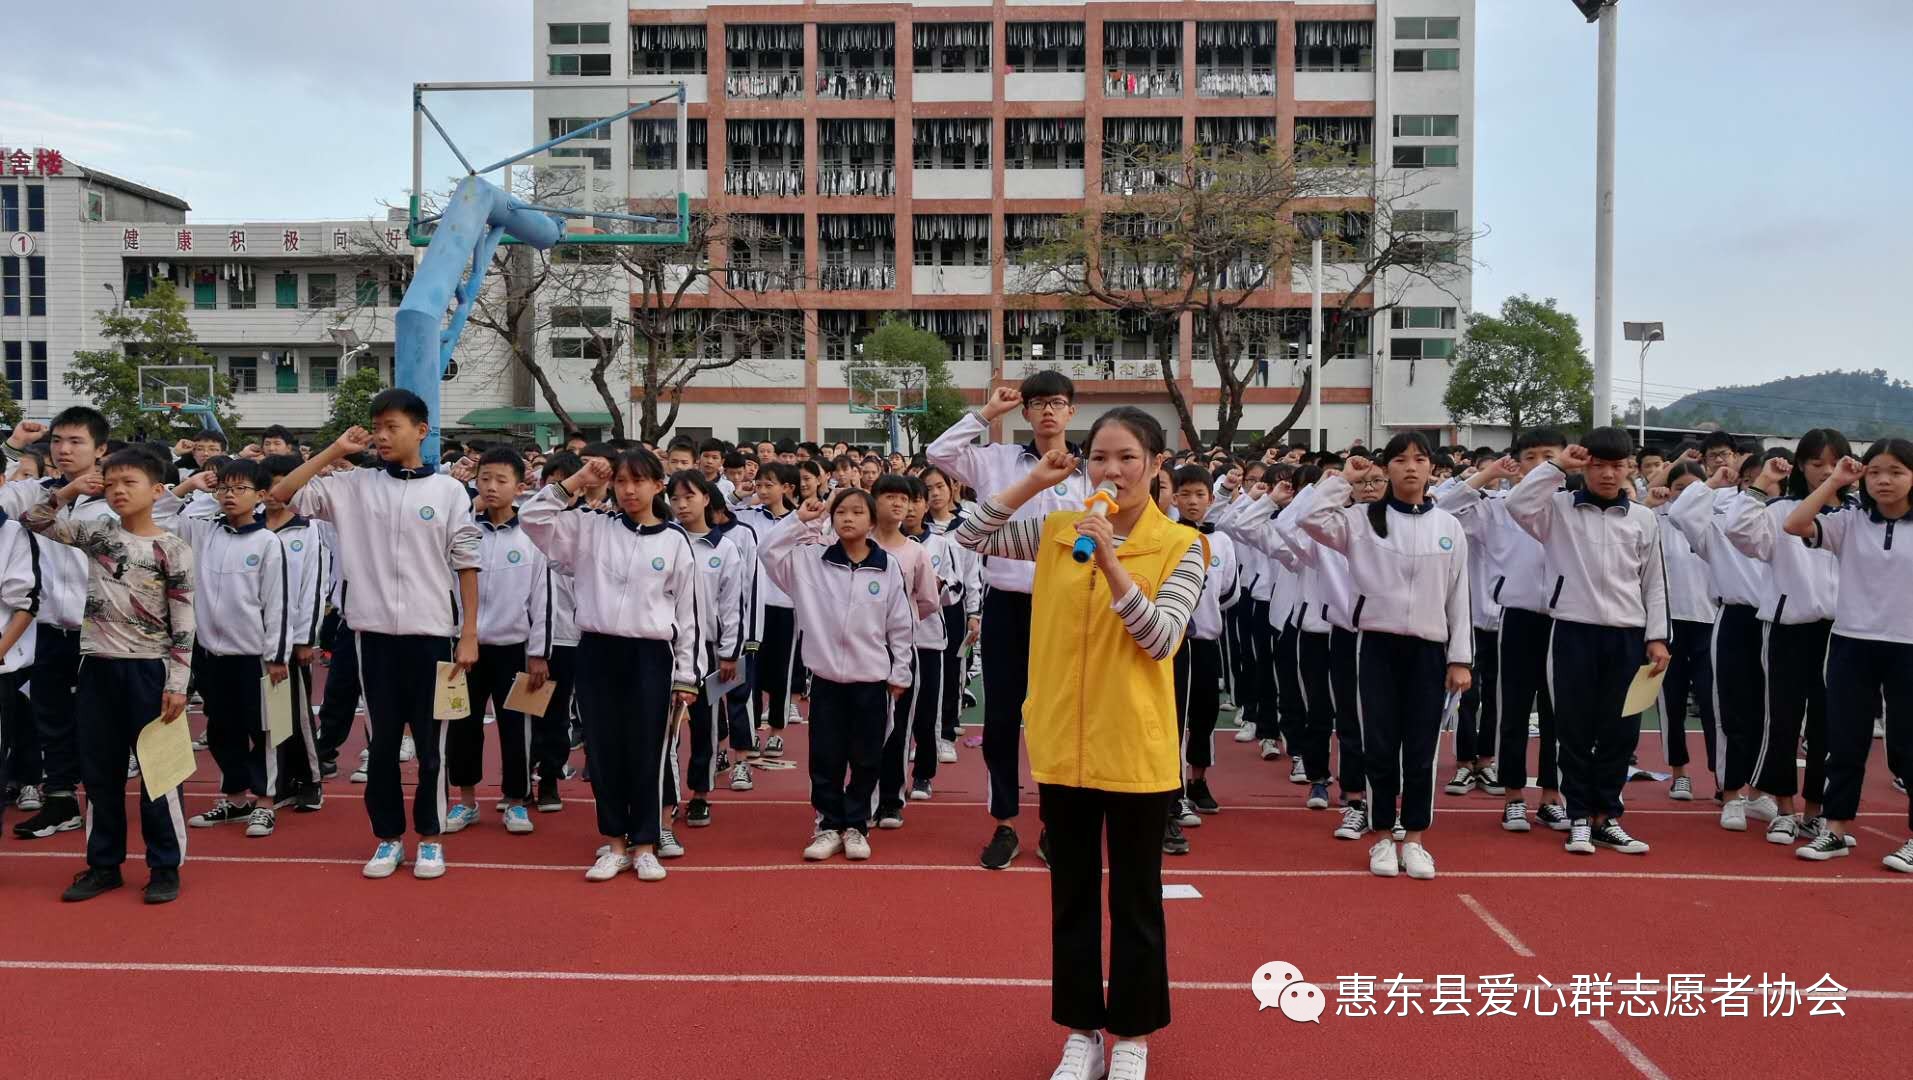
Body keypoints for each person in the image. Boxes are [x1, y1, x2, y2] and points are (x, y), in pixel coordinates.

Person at [953, 407, 1204, 1080]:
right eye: (1098, 457)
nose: (1110, 470)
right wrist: (1033, 482)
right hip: (1064, 744)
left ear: (1156, 466)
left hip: (1136, 752)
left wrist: (1116, 564)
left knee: (1134, 901)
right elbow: (971, 533)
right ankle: (1081, 1032)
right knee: (1070, 898)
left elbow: (1159, 637)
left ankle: (1130, 1039)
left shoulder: (1182, 546)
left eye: (1126, 457)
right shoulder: (1059, 531)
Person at [268, 393, 481, 880]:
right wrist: (333, 451)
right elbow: (280, 494)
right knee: (382, 743)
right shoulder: (351, 485)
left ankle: (429, 837)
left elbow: (468, 564)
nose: (381, 437)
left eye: (392, 427)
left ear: (421, 431)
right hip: (371, 636)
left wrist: (468, 633)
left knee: (431, 746)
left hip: (434, 638)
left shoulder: (449, 492)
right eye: (375, 428)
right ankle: (388, 838)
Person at [928, 373, 1092, 869]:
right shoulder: (997, 460)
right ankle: (1004, 822)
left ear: (1071, 412)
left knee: (1059, 719)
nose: (1047, 412)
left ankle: (1053, 823)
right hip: (1008, 603)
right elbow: (939, 453)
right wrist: (985, 414)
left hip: (1065, 608)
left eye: (1057, 403)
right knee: (1001, 718)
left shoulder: (1088, 473)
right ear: (1025, 413)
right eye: (1038, 404)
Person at [24, 449, 195, 904]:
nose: (118, 490)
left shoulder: (172, 548)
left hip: (150, 671)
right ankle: (104, 865)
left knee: (159, 775)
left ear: (157, 491)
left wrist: (178, 683)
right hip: (97, 666)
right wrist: (70, 488)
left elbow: (184, 619)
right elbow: (34, 519)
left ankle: (164, 866)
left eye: (130, 482)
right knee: (101, 775)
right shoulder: (97, 534)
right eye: (111, 482)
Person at [1298, 434, 1471, 880]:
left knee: (1420, 748)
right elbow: (1311, 518)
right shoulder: (1360, 520)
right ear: (1386, 469)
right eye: (1399, 459)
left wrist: (1460, 658)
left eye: (1419, 459)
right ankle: (1380, 835)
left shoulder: (1448, 528)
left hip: (1430, 649)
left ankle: (1414, 837)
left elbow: (1458, 598)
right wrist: (1343, 479)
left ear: (1433, 467)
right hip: (1374, 644)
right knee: (1377, 743)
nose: (1410, 467)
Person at [522, 450, 701, 882]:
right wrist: (579, 479)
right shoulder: (590, 527)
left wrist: (687, 677)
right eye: (621, 481)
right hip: (598, 650)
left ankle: (644, 843)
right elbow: (532, 519)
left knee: (646, 751)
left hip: (650, 656)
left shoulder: (675, 541)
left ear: (659, 485)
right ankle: (614, 843)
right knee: (602, 751)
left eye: (639, 481)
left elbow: (688, 613)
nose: (629, 490)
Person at [1505, 429, 1670, 856]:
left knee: (1622, 730)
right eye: (1599, 465)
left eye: (1618, 466)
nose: (1608, 474)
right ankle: (1578, 816)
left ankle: (1606, 816)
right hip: (1572, 631)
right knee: (1572, 729)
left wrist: (1656, 637)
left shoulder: (1643, 519)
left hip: (1628, 636)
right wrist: (1558, 465)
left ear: (1630, 467)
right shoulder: (1557, 509)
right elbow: (1516, 503)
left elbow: (1653, 583)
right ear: (1586, 465)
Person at [760, 487, 914, 864]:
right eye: (841, 511)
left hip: (872, 680)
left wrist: (900, 672)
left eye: (857, 512)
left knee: (866, 757)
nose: (847, 518)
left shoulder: (888, 566)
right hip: (827, 679)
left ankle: (857, 825)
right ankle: (828, 823)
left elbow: (900, 624)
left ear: (872, 521)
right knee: (825, 756)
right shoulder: (810, 562)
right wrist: (800, 519)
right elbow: (767, 552)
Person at [1436, 429, 1569, 834]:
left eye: (1551, 456)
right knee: (1510, 709)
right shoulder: (1494, 507)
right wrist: (1484, 476)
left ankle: (1552, 795)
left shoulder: (1573, 506)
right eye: (1531, 457)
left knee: (1557, 716)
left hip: (1565, 619)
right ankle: (1513, 795)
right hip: (1516, 617)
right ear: (1515, 463)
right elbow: (1439, 507)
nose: (1541, 465)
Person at [1787, 440, 1911, 870]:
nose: (1884, 480)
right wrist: (1836, 482)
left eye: (1896, 471)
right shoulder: (1849, 520)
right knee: (1844, 742)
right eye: (1875, 470)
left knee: (1907, 747)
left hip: (1908, 647)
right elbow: (1795, 524)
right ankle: (1835, 829)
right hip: (1852, 643)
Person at [3, 411, 124, 840]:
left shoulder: (119, 495)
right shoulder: (36, 491)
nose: (64, 450)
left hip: (104, 632)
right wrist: (13, 446)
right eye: (57, 441)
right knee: (50, 719)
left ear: (101, 450)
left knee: (102, 723)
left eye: (76, 441)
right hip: (52, 628)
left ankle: (106, 810)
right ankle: (60, 801)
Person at [1725, 431, 1848, 844]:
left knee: (1830, 724)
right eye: (1816, 463)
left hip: (1841, 633)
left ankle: (1816, 811)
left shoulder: (1858, 514)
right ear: (1801, 466)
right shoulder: (1781, 511)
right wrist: (1762, 483)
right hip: (1787, 628)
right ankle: (1784, 808)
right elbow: (1739, 532)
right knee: (1782, 720)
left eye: (1834, 462)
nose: (1826, 471)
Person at [169, 460, 290, 839]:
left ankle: (266, 801)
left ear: (260, 496)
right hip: (211, 654)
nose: (229, 496)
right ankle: (236, 798)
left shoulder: (268, 542)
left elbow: (277, 604)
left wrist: (276, 656)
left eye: (240, 489)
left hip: (255, 657)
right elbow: (160, 512)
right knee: (221, 730)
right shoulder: (203, 532)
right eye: (224, 488)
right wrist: (191, 484)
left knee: (267, 730)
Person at [1669, 444, 1775, 830]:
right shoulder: (1718, 519)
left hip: (1779, 622)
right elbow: (1679, 512)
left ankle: (1762, 793)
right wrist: (1713, 481)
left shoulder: (1788, 517)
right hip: (1733, 617)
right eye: (1751, 479)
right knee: (1728, 708)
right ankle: (1731, 795)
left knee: (1771, 714)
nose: (1760, 487)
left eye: (1769, 479)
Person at [444, 448, 548, 838]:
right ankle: (466, 800)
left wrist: (538, 651)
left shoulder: (534, 537)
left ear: (520, 487)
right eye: (484, 478)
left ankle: (517, 800)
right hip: (463, 647)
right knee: (461, 724)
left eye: (501, 480)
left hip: (514, 647)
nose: (491, 487)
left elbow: (543, 597)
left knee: (516, 726)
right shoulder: (462, 528)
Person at [662, 469, 743, 839]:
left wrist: (730, 653)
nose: (681, 505)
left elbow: (731, 606)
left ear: (707, 499)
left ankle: (700, 793)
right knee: (667, 728)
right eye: (675, 498)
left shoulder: (724, 548)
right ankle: (667, 796)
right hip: (667, 647)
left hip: (709, 650)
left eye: (689, 496)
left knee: (705, 727)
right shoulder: (664, 541)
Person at [868, 474, 943, 828]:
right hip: (860, 647)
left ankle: (891, 798)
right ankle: (861, 796)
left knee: (898, 726)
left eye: (905, 498)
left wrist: (904, 622)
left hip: (900, 649)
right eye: (890, 497)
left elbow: (928, 600)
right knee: (862, 726)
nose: (899, 504)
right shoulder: (857, 544)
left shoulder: (916, 552)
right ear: (875, 500)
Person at [1168, 466, 1237, 842]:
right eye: (1186, 495)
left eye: (1200, 495)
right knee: (1174, 715)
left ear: (1211, 499)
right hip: (1175, 640)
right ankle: (1173, 791)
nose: (1193, 502)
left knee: (1206, 712)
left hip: (1208, 638)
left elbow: (1228, 591)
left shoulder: (1223, 542)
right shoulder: (1168, 536)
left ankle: (1198, 780)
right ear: (1175, 498)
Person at [1645, 458, 1718, 801]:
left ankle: (1722, 776)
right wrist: (1654, 497)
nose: (1685, 495)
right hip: (1668, 625)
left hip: (1709, 623)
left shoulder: (1714, 519)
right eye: (1678, 488)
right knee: (1671, 703)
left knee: (1711, 702)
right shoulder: (1655, 518)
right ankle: (1680, 773)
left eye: (1693, 488)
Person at [260, 454, 329, 814]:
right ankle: (279, 781)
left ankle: (312, 781)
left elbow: (313, 587)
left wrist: (305, 639)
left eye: (281, 482)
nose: (274, 492)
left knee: (299, 714)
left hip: (292, 639)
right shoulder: (251, 527)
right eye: (267, 483)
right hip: (255, 639)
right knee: (268, 718)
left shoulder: (308, 529)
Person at [748, 462, 804, 748]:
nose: (763, 490)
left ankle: (777, 733)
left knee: (781, 671)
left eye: (770, 484)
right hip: (754, 606)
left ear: (787, 488)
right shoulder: (749, 517)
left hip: (785, 605)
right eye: (759, 484)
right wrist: (741, 494)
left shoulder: (799, 521)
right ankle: (753, 731)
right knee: (753, 673)